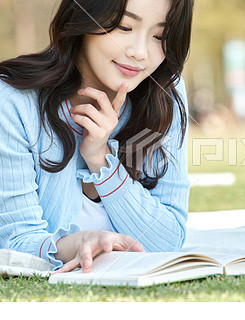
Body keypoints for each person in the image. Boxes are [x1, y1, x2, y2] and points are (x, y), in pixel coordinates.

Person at [0, 0, 194, 274]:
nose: (139, 52)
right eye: (125, 27)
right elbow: (14, 244)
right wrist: (76, 244)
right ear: (84, 18)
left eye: (160, 36)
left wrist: (101, 160)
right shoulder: (12, 101)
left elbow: (167, 241)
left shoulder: (165, 94)